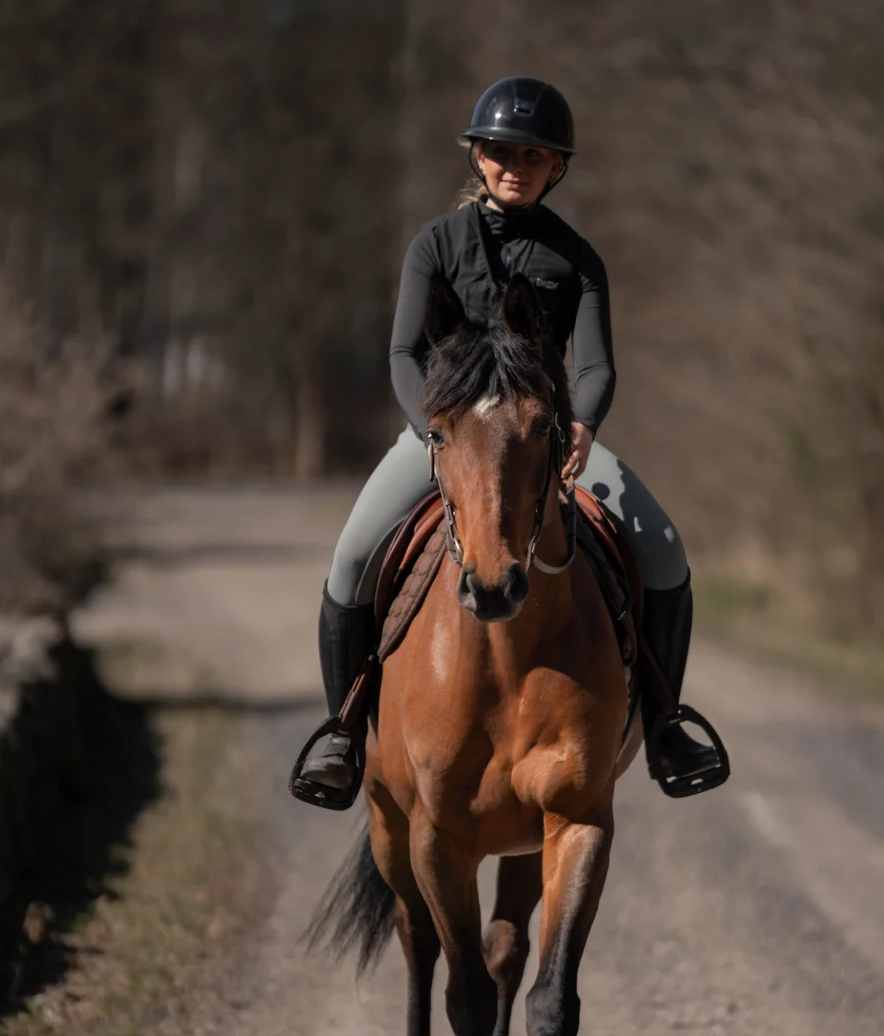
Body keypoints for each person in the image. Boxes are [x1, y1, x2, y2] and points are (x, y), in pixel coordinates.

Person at [298, 76, 722, 802]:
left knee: (666, 553)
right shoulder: (435, 244)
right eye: (500, 152)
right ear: (478, 157)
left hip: (545, 442)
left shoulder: (577, 259)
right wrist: (429, 435)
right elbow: (404, 355)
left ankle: (663, 725)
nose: (513, 167)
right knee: (349, 562)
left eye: (533, 156)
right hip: (444, 437)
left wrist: (583, 422)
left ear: (557, 167)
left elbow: (596, 364)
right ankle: (343, 731)